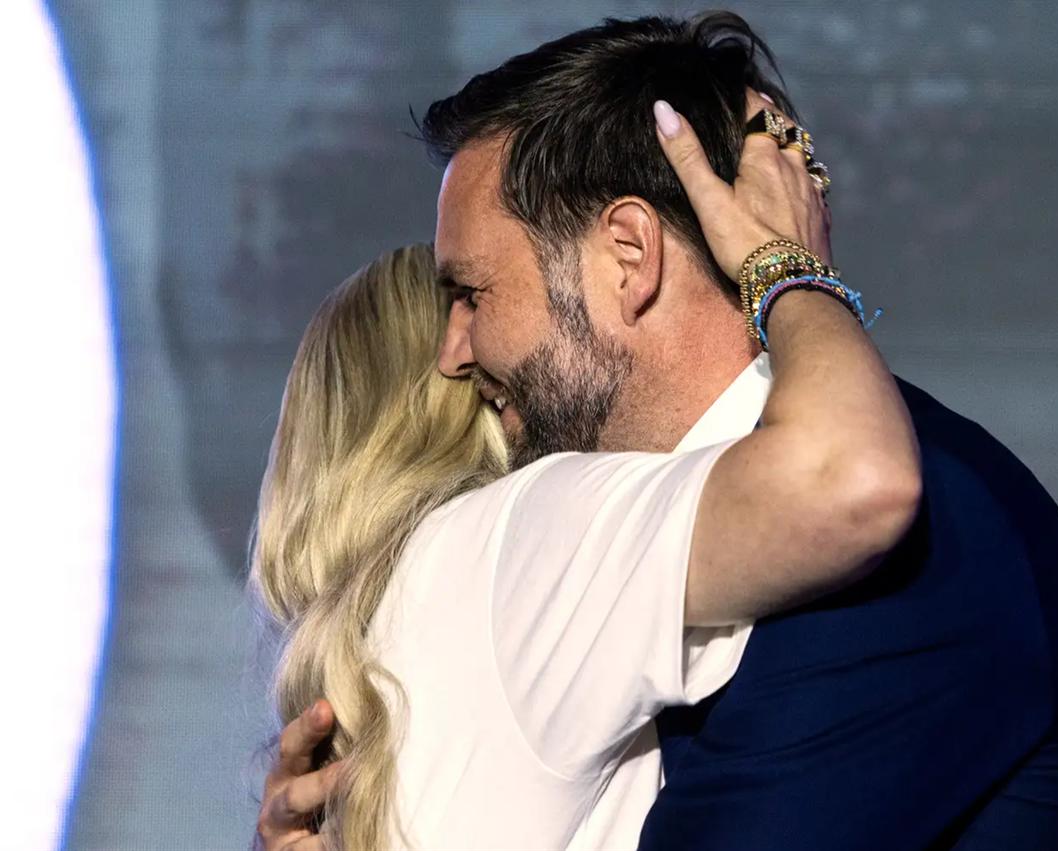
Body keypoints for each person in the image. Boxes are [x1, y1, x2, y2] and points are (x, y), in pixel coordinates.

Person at [258, 12, 1058, 850]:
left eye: (472, 294)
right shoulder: (683, 546)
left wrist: (786, 271)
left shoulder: (907, 543)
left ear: (629, 258)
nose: (453, 351)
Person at [250, 93, 921, 849]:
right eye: (460, 302)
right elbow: (850, 476)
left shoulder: (385, 640)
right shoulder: (517, 538)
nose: (460, 349)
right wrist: (786, 263)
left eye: (475, 298)